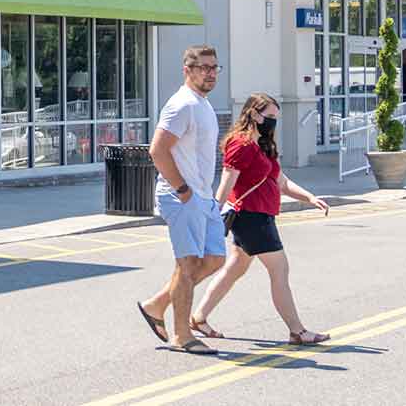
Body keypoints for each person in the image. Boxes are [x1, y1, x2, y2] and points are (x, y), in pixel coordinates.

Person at [191, 92, 331, 347]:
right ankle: (297, 331)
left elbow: (281, 182)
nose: (273, 122)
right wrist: (211, 216)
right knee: (280, 270)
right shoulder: (241, 145)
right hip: (251, 217)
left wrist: (309, 197)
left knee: (236, 268)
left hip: (261, 214)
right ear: (253, 114)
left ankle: (199, 317)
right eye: (270, 117)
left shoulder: (263, 145)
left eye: (276, 117)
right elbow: (226, 183)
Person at [134, 45, 226, 354]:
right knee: (186, 266)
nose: (210, 73)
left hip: (202, 196)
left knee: (215, 259)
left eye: (214, 67)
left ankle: (156, 305)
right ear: (187, 71)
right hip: (182, 196)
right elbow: (158, 151)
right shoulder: (182, 105)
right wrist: (183, 190)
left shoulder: (203, 104)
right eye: (204, 68)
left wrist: (203, 194)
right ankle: (181, 335)